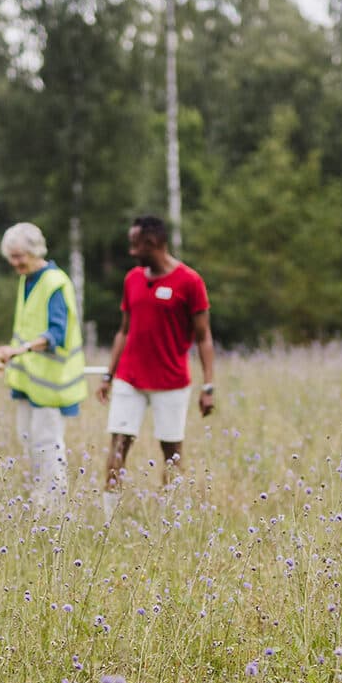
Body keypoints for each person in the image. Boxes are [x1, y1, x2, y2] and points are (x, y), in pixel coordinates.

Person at [96, 215, 216, 505]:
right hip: (130, 378)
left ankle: (170, 515)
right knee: (118, 444)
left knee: (171, 452)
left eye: (135, 244)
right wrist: (108, 375)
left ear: (152, 243)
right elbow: (124, 331)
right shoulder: (132, 279)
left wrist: (208, 386)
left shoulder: (190, 281)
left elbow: (204, 338)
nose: (131, 251)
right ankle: (108, 515)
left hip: (171, 382)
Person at [0, 222, 87, 502]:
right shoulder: (27, 279)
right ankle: (38, 497)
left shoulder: (55, 283)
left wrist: (19, 350)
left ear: (36, 251)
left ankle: (53, 505)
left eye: (19, 256)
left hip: (51, 383)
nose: (15, 263)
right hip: (29, 380)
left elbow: (56, 333)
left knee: (47, 444)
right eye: (11, 257)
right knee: (28, 440)